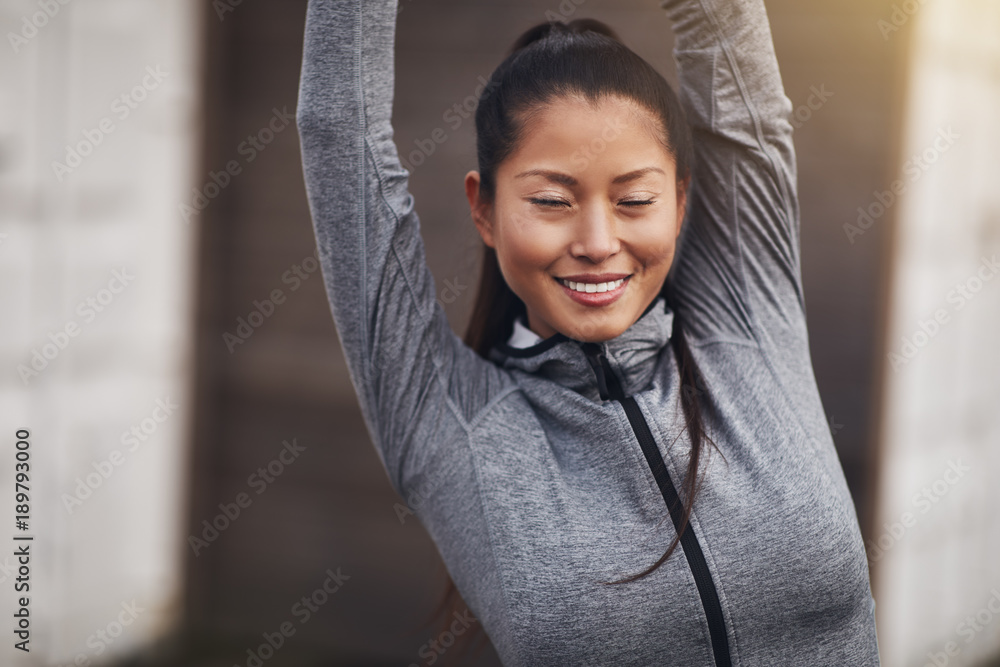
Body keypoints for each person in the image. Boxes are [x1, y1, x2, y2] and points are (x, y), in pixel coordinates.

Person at [296, 0, 882, 664]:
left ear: (682, 200)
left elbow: (720, 18)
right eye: (551, 201)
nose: (599, 243)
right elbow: (338, 131)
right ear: (483, 209)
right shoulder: (447, 420)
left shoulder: (746, 319)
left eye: (634, 200)